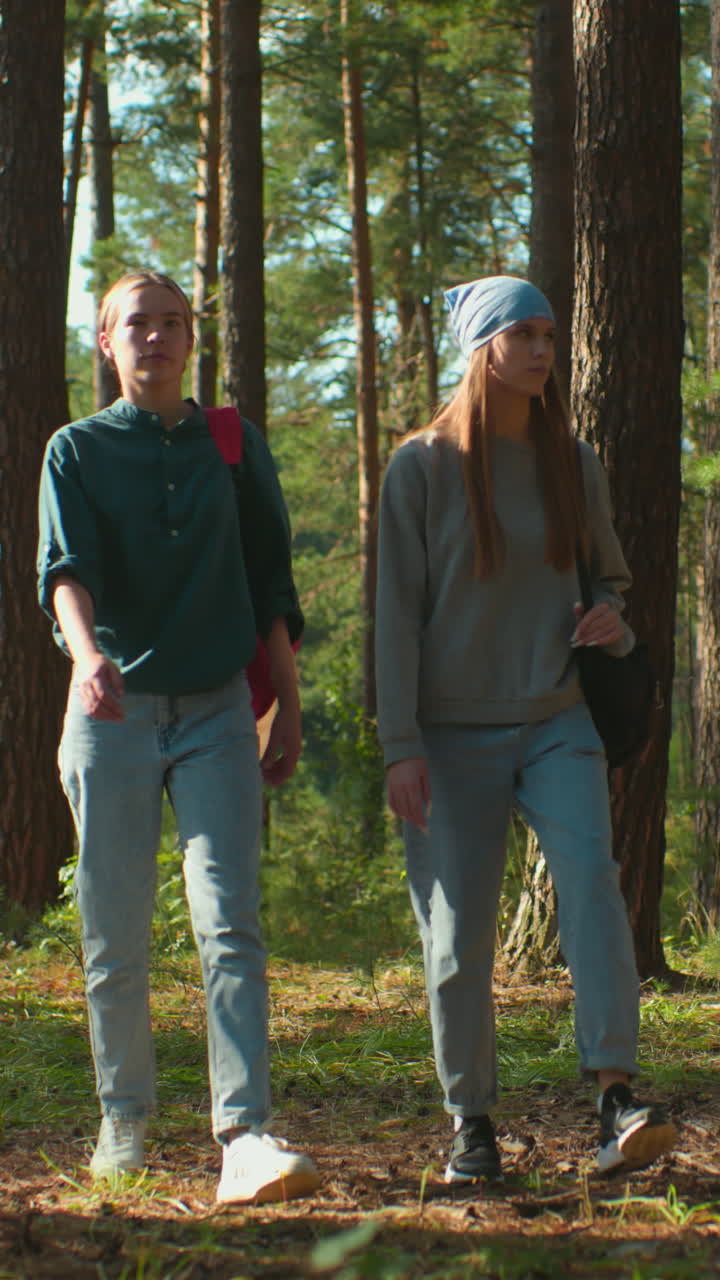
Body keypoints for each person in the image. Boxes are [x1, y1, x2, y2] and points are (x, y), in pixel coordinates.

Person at [375, 275, 678, 1184]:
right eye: (525, 335)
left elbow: (610, 579)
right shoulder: (421, 467)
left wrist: (611, 620)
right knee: (457, 936)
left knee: (591, 887)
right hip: (448, 736)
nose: (544, 350)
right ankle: (470, 1122)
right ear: (484, 348)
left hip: (557, 719)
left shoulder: (573, 462)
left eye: (549, 334)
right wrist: (401, 747)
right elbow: (396, 616)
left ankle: (616, 1098)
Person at [37, 269, 320, 1206]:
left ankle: (244, 1133)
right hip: (110, 714)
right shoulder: (75, 450)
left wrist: (285, 705)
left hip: (216, 713)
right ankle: (124, 1120)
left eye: (170, 322)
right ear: (107, 342)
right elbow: (65, 571)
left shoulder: (233, 445)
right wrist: (87, 657)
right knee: (113, 931)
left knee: (228, 921)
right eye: (136, 325)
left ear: (192, 337)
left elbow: (271, 585)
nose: (154, 337)